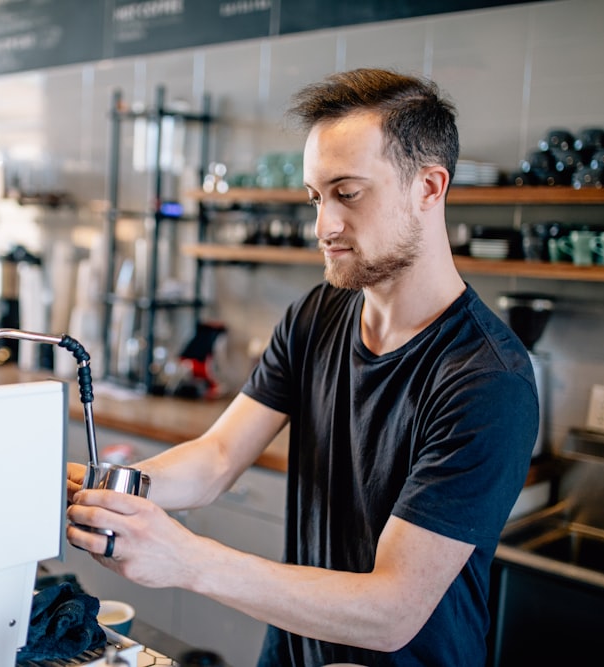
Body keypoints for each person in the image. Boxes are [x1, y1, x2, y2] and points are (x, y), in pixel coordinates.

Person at [65, 68, 538, 666]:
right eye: (316, 197)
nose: (323, 227)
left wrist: (186, 559)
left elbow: (391, 610)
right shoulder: (317, 313)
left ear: (429, 186)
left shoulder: (488, 379)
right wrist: (111, 489)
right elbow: (216, 458)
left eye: (348, 193)